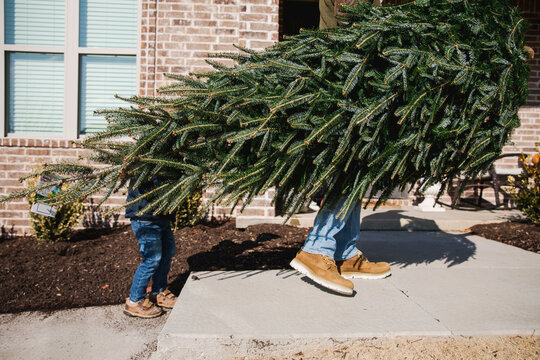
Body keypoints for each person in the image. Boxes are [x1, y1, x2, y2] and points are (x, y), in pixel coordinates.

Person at [289, 0, 390, 296]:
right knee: (348, 167)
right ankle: (316, 248)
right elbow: (350, 31)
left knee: (356, 168)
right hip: (343, 76)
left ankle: (345, 253)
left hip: (354, 75)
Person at [123, 177, 178, 318]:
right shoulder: (144, 160)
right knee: (151, 260)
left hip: (162, 215)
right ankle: (134, 301)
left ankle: (158, 292)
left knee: (167, 253)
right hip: (145, 216)